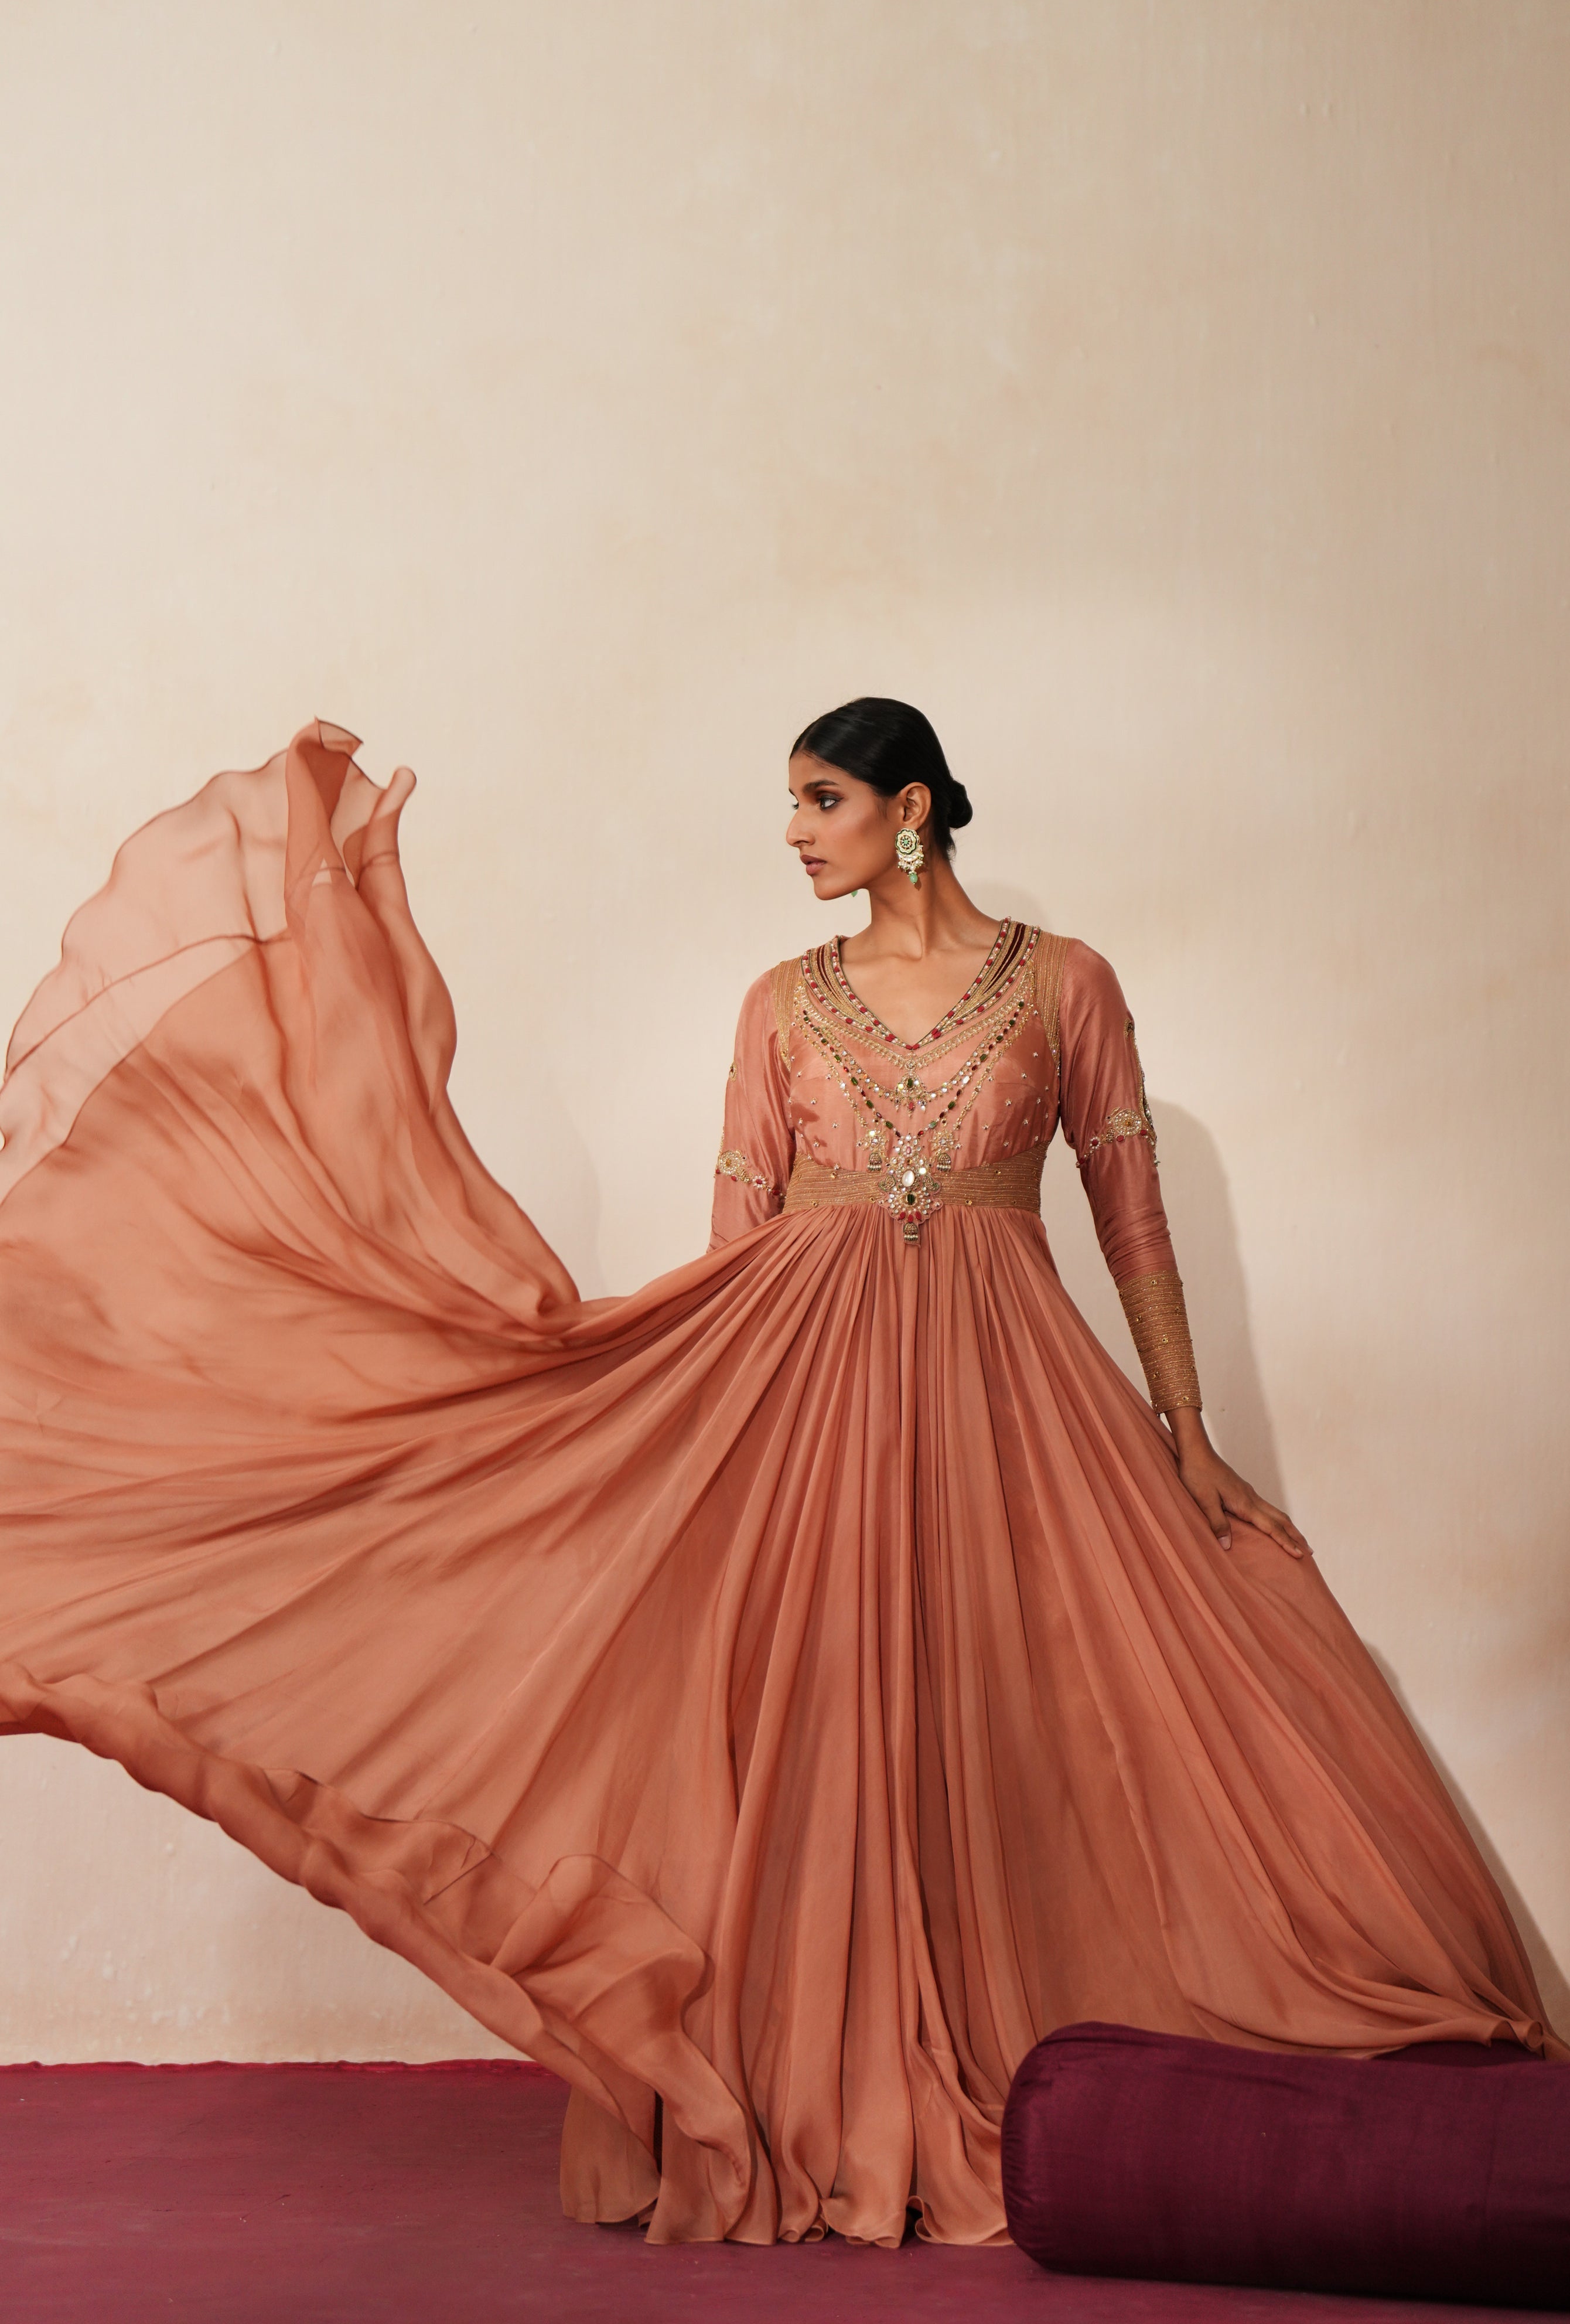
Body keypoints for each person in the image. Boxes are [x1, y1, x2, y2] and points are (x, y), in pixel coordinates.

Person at [0, 703, 1557, 2253]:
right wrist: (685, 1432)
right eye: (793, 803)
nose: (798, 832)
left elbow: (1131, 1216)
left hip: (1019, 1402)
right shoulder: (779, 1005)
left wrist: (1187, 1427)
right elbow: (740, 1245)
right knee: (829, 1717)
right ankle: (822, 2064)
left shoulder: (1068, 985)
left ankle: (1056, 2035)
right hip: (810, 1399)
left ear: (916, 808)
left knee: (1047, 1699)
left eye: (823, 799)